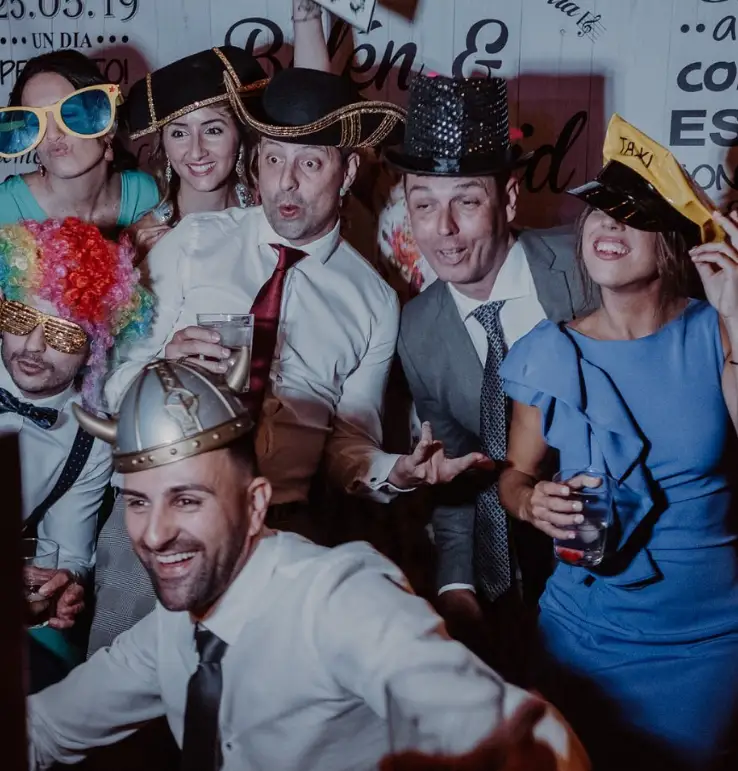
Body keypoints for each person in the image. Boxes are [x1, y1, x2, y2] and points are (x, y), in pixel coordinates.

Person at [28, 355, 589, 771]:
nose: (153, 534)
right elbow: (43, 729)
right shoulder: (175, 626)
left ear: (255, 505)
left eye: (187, 500)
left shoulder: (336, 597)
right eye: (137, 502)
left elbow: (533, 741)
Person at [497, 114, 738, 770]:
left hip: (708, 643)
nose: (609, 225)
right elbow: (513, 475)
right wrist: (532, 502)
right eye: (600, 211)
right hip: (585, 636)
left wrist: (736, 316)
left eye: (633, 216)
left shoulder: (716, 332)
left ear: (672, 240)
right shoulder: (548, 353)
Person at [391, 73, 597, 675]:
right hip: (504, 588)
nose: (443, 229)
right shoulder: (418, 328)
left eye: (466, 202)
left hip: (607, 574)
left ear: (507, 200)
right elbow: (456, 475)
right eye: (424, 205)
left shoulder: (586, 267)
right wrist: (456, 586)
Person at [0, 217, 154, 690]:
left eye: (64, 333)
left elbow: (66, 551)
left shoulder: (89, 438)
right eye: (20, 319)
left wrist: (61, 583)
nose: (33, 346)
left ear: (95, 348)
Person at [125, 0, 332, 259]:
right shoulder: (140, 243)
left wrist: (307, 16)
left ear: (239, 134)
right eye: (179, 133)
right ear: (163, 145)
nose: (196, 151)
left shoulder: (272, 210)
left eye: (213, 130)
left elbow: (312, 113)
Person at [0, 51, 158, 232]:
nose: (52, 135)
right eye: (35, 122)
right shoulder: (5, 208)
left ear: (108, 127)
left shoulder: (148, 196)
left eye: (69, 115)